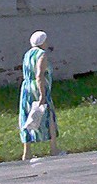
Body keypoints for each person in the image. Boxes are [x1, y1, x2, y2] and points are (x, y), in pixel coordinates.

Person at [19, 31, 64, 161]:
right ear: (43, 42)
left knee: (27, 116)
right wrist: (42, 94)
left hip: (26, 88)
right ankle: (54, 148)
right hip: (38, 87)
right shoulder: (41, 54)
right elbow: (39, 75)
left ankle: (26, 152)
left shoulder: (27, 54)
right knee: (48, 115)